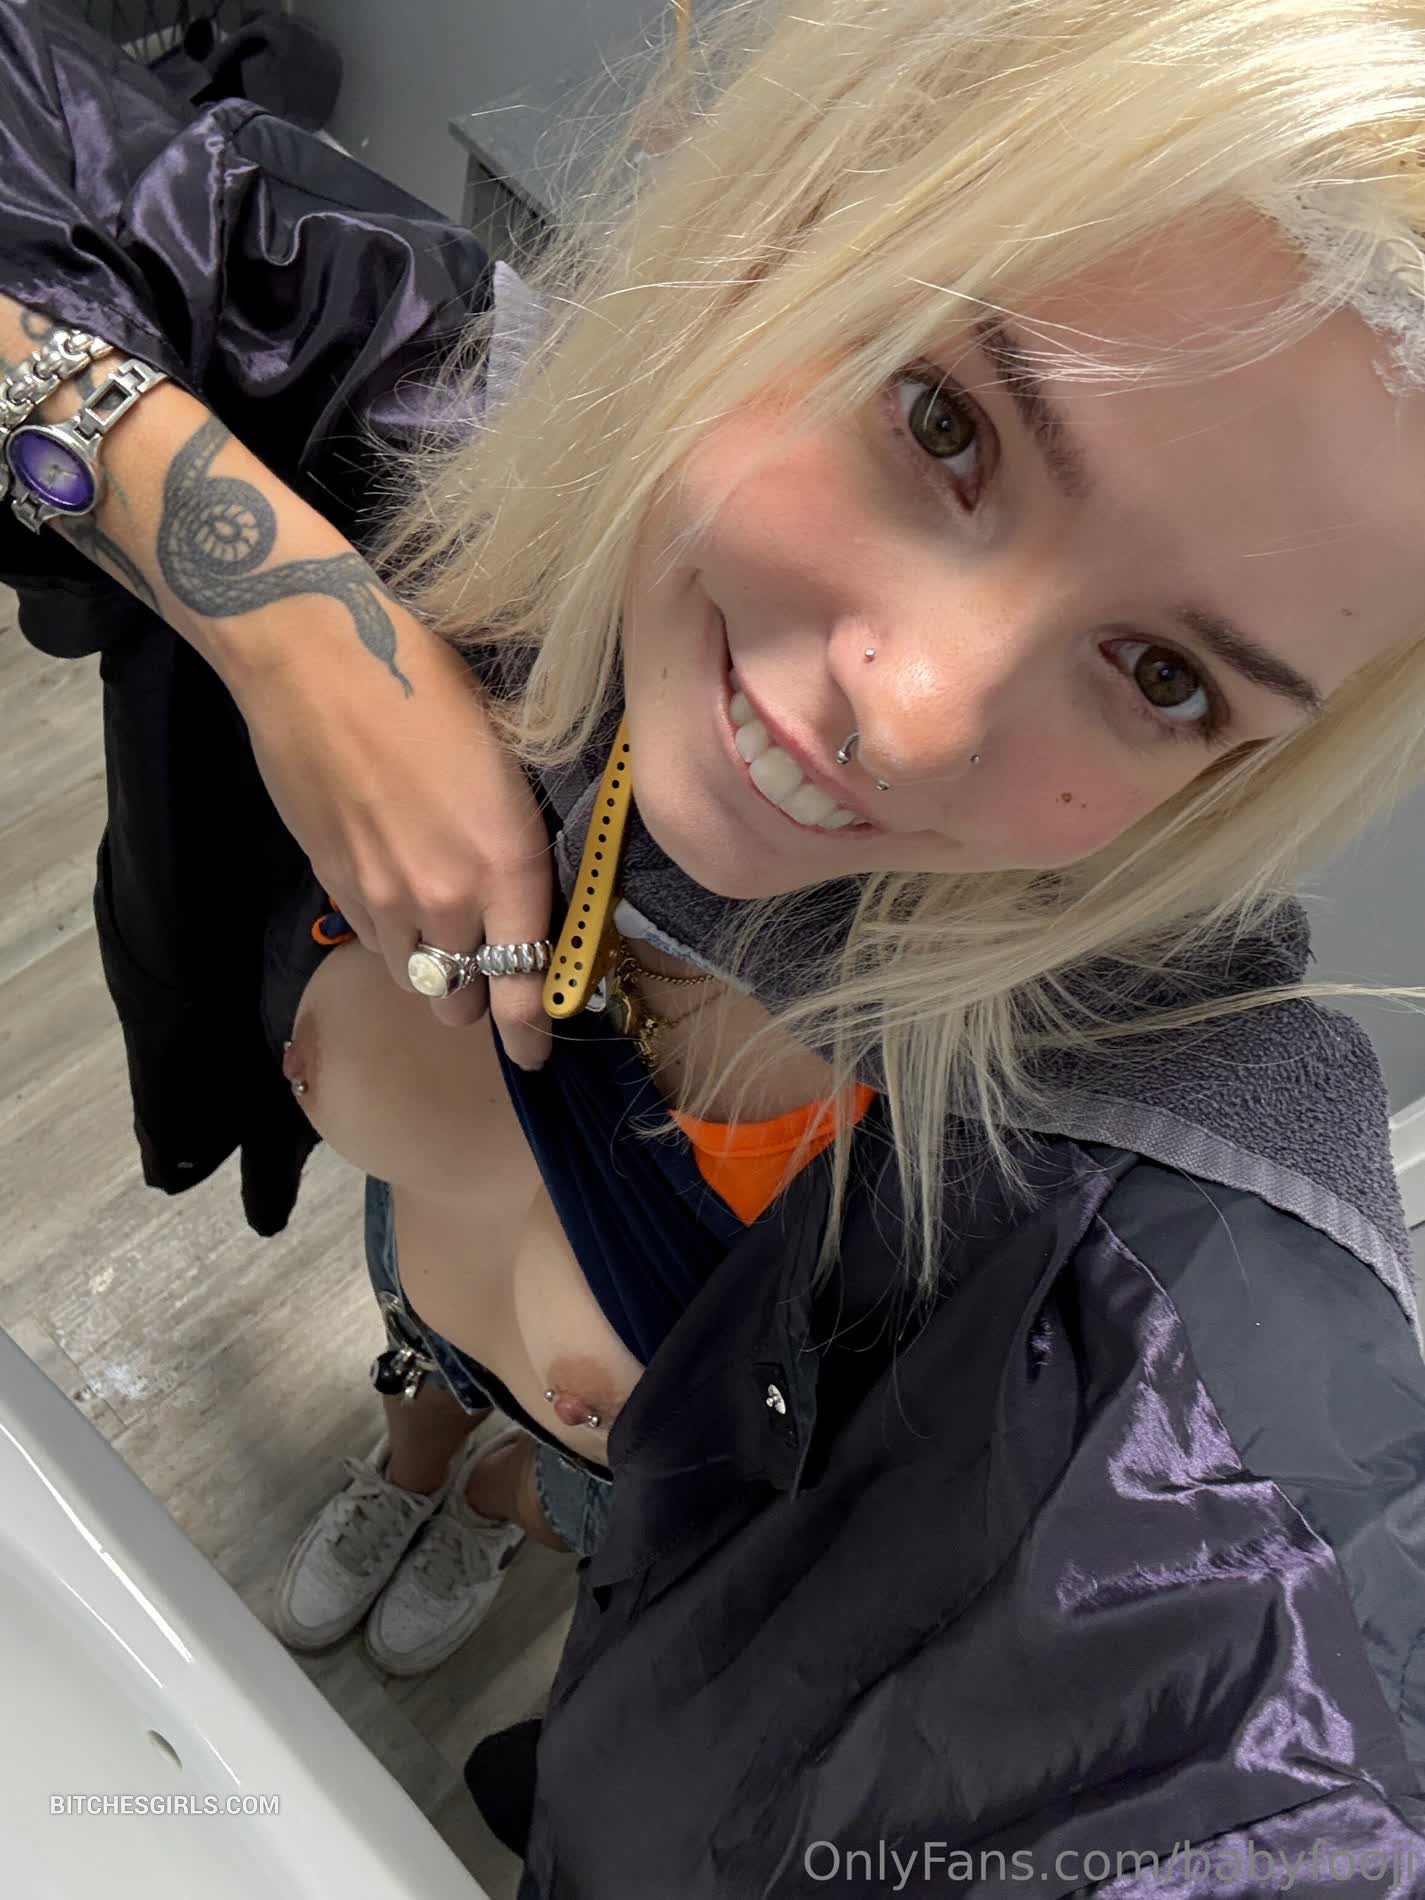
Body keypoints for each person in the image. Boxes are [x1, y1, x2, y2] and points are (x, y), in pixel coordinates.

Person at [5, 1, 1425, 1895]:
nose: (910, 719)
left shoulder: (1143, 1188)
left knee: (569, 1463)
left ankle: (514, 1496)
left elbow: (1267, 1730)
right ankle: (422, 1442)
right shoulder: (457, 450)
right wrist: (284, 623)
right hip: (422, 1259)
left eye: (1164, 677)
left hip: (623, 1489)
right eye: (945, 424)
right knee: (429, 1329)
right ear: (781, 228)